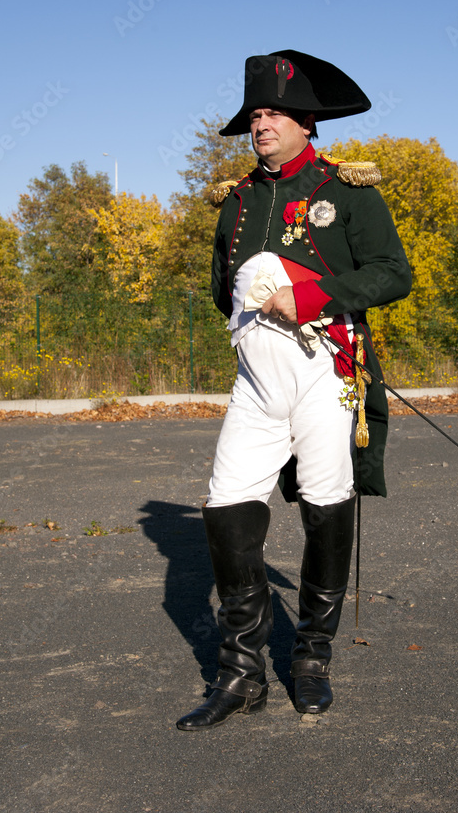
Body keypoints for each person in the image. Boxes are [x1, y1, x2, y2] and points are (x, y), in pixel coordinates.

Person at [176, 50, 411, 731]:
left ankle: (310, 659)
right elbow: (222, 289)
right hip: (255, 384)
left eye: (273, 112)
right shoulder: (238, 200)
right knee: (225, 506)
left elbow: (393, 273)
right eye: (255, 113)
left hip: (325, 375)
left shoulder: (348, 191)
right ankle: (241, 676)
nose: (261, 123)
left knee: (324, 501)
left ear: (307, 121)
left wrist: (312, 294)